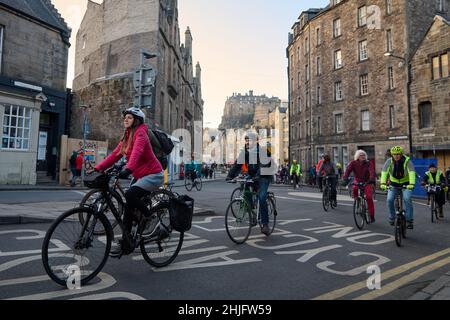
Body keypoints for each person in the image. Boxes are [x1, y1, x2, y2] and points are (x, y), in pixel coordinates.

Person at [95, 107, 164, 257]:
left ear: (137, 121)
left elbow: (137, 153)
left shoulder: (141, 134)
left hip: (154, 174)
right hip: (140, 175)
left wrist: (128, 169)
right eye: (125, 117)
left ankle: (148, 217)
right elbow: (114, 155)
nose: (125, 119)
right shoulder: (127, 136)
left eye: (129, 117)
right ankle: (126, 244)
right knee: (128, 208)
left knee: (131, 195)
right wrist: (98, 168)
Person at [226, 133, 274, 236]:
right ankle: (252, 212)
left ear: (255, 141)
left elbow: (264, 164)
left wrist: (258, 175)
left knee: (261, 197)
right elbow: (237, 164)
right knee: (246, 191)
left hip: (264, 176)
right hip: (253, 176)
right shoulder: (245, 152)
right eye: (246, 140)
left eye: (250, 140)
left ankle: (265, 224)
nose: (248, 142)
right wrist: (230, 176)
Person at [380, 146, 416, 229]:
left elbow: (411, 172)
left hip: (406, 184)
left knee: (407, 199)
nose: (396, 156)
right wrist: (383, 183)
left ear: (401, 154)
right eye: (394, 154)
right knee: (389, 199)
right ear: (392, 155)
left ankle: (409, 220)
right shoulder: (389, 161)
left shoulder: (407, 161)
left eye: (398, 154)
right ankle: (392, 217)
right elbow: (384, 172)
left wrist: (412, 184)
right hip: (394, 184)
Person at [342, 150, 377, 223]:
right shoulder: (353, 163)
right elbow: (348, 170)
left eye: (364, 155)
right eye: (361, 155)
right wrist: (345, 178)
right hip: (357, 180)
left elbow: (372, 172)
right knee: (355, 188)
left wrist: (371, 179)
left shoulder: (368, 163)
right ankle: (357, 199)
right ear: (357, 156)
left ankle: (372, 215)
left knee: (369, 197)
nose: (363, 156)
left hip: (367, 181)